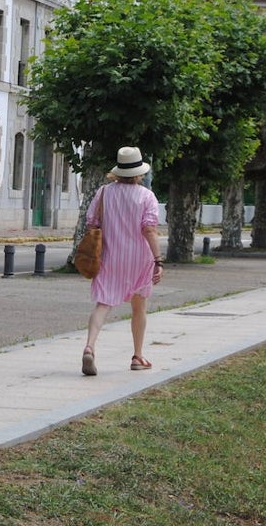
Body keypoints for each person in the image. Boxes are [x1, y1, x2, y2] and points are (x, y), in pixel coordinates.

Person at [80, 146, 163, 376]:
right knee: (139, 306)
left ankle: (90, 346)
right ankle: (138, 356)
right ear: (139, 173)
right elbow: (149, 230)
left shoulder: (104, 193)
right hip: (139, 259)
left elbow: (92, 223)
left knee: (103, 303)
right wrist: (158, 260)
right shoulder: (147, 196)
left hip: (109, 256)